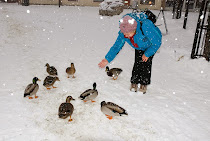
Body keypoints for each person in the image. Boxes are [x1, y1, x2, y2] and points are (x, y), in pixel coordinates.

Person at [98, 12, 162, 93]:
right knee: (137, 63)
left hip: (150, 46)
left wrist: (147, 54)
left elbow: (157, 42)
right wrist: (107, 59)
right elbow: (116, 46)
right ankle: (134, 82)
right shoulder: (123, 32)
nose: (126, 36)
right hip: (139, 46)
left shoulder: (145, 26)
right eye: (124, 34)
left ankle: (144, 83)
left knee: (146, 64)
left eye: (128, 34)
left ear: (134, 29)